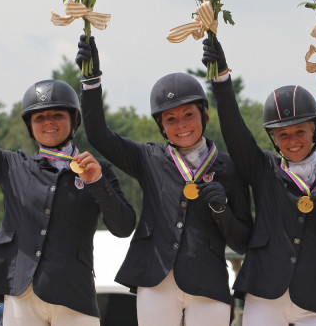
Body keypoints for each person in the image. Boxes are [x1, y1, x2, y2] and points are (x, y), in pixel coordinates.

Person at [0, 45, 136, 326]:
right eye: (39, 117)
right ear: (30, 126)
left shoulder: (97, 169)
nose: (48, 122)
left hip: (75, 295)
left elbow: (123, 227)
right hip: (22, 296)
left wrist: (97, 183)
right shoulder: (12, 166)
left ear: (73, 120)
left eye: (57, 115)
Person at [75, 36, 253, 326]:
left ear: (204, 115)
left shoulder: (230, 168)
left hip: (208, 282)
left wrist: (223, 211)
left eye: (188, 115)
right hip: (155, 279)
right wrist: (91, 79)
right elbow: (98, 134)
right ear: (161, 125)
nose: (181, 125)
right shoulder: (148, 158)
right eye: (170, 119)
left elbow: (243, 241)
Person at [201, 38, 316, 325]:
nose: (292, 142)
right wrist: (221, 78)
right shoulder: (263, 168)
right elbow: (234, 130)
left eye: (300, 131)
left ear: (314, 129)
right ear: (273, 139)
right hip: (265, 294)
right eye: (283, 135)